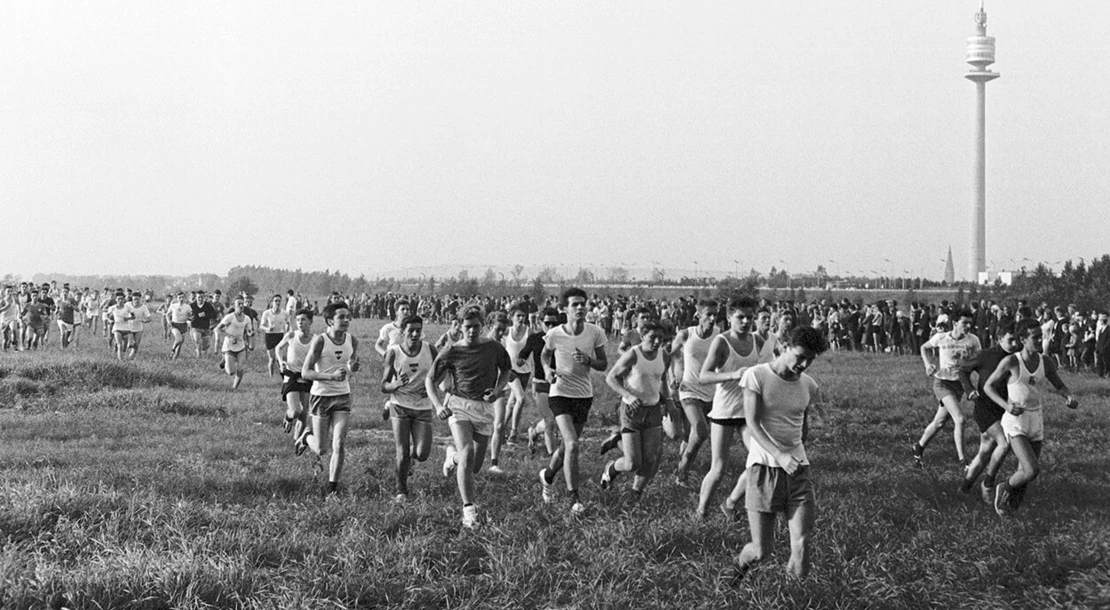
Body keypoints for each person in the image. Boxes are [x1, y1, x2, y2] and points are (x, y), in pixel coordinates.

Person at [732, 326, 829, 580]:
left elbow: (801, 424)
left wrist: (795, 456)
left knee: (802, 544)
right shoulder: (757, 376)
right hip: (763, 470)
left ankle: (793, 597)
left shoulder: (807, 385)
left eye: (810, 359)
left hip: (797, 471)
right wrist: (780, 456)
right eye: (800, 356)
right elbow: (752, 423)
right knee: (762, 551)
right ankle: (734, 573)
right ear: (784, 346)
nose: (804, 364)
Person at [426, 307, 512, 528]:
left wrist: (498, 390)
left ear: (482, 325)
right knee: (468, 452)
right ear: (460, 326)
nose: (472, 331)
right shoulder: (451, 351)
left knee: (472, 466)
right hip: (459, 405)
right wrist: (437, 406)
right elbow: (430, 380)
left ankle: (451, 457)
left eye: (475, 326)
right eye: (467, 327)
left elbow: (506, 370)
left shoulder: (494, 348)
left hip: (484, 408)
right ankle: (469, 511)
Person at [983, 319, 1079, 517]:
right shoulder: (1011, 361)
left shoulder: (1046, 361)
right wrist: (1006, 405)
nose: (1039, 340)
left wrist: (1068, 397)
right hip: (1015, 420)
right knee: (1031, 470)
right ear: (1022, 339)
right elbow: (988, 386)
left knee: (1025, 474)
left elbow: (1059, 385)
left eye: (1040, 336)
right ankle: (1004, 488)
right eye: (1034, 337)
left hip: (1036, 419)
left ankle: (1010, 511)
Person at [539, 287, 608, 514]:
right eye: (574, 304)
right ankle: (574, 498)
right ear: (564, 309)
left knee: (567, 447)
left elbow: (603, 364)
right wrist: (548, 371)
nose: (580, 308)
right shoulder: (555, 334)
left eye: (582, 304)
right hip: (559, 393)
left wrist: (588, 359)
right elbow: (544, 354)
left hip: (583, 395)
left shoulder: (595, 332)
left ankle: (548, 476)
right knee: (572, 444)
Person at [695, 296, 763, 520]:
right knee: (718, 469)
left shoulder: (757, 341)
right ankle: (701, 512)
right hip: (724, 412)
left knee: (760, 460)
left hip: (748, 414)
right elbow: (704, 376)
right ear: (729, 317)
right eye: (740, 317)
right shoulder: (721, 342)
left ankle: (731, 502)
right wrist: (733, 375)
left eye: (749, 317)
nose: (745, 322)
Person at [295, 301, 361, 497]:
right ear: (330, 321)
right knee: (322, 449)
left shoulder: (352, 340)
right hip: (321, 396)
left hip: (342, 395)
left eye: (347, 317)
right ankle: (307, 436)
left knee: (339, 443)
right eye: (341, 317)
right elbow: (306, 372)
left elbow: (352, 364)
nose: (346, 320)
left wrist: (353, 368)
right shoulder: (321, 341)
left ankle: (332, 488)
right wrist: (330, 377)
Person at [601, 320, 671, 496]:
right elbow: (611, 378)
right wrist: (628, 395)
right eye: (653, 338)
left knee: (650, 458)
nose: (657, 342)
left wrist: (668, 400)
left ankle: (635, 493)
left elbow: (662, 380)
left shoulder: (664, 356)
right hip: (632, 412)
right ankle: (611, 468)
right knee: (633, 464)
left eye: (660, 339)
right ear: (642, 336)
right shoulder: (633, 354)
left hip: (653, 410)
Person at [957, 319, 1019, 503]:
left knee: (985, 450)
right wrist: (969, 391)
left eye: (1017, 340)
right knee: (1004, 444)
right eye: (1011, 340)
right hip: (984, 407)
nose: (1015, 344)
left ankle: (964, 488)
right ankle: (988, 484)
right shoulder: (985, 355)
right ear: (1000, 339)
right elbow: (962, 370)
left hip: (1005, 408)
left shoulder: (1017, 358)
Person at [381, 314, 438, 501]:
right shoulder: (394, 352)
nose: (415, 334)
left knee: (422, 454)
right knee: (402, 450)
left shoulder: (430, 350)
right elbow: (384, 386)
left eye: (418, 331)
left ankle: (407, 464)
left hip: (422, 406)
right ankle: (401, 490)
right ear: (402, 332)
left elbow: (440, 373)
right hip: (400, 405)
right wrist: (395, 384)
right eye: (411, 331)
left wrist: (430, 387)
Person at [914, 308, 981, 467]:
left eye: (970, 323)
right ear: (955, 323)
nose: (968, 326)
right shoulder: (941, 337)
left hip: (960, 385)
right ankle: (963, 462)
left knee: (939, 422)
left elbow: (980, 361)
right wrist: (927, 365)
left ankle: (918, 447)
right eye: (964, 323)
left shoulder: (973, 340)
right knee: (960, 418)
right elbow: (924, 347)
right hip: (942, 383)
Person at [670, 299, 720, 484]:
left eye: (715, 314)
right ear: (698, 315)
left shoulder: (718, 335)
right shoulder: (685, 335)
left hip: (711, 391)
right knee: (701, 430)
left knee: (694, 434)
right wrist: (673, 375)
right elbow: (671, 354)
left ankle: (683, 461)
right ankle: (682, 471)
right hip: (688, 389)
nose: (713, 318)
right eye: (709, 314)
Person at [276, 308, 315, 445]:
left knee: (304, 414)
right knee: (296, 410)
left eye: (303, 319)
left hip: (306, 377)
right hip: (291, 376)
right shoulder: (291, 335)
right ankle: (288, 416)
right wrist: (281, 362)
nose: (300, 323)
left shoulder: (316, 340)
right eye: (298, 320)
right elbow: (278, 348)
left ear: (310, 321)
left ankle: (296, 443)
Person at [214, 297, 252, 389]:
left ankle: (234, 388)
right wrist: (228, 334)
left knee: (240, 367)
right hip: (229, 346)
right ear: (234, 306)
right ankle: (225, 359)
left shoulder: (247, 318)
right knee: (231, 372)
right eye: (239, 304)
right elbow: (217, 328)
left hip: (241, 345)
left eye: (242, 303)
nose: (241, 305)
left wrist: (251, 334)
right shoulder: (230, 317)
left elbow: (249, 330)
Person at [259, 294, 289, 378]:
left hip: (279, 335)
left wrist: (287, 331)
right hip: (269, 336)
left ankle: (284, 377)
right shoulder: (267, 313)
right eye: (276, 301)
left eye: (279, 301)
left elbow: (288, 323)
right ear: (272, 302)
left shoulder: (284, 313)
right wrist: (268, 328)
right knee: (272, 359)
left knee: (281, 359)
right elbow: (261, 326)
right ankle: (271, 377)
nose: (278, 303)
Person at [107, 291, 134, 360]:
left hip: (126, 328)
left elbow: (134, 316)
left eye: (122, 299)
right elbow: (107, 316)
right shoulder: (112, 308)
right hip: (117, 328)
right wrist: (110, 320)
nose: (120, 300)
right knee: (119, 345)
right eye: (118, 299)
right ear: (116, 299)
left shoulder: (127, 307)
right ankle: (121, 361)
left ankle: (123, 356)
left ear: (124, 299)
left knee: (124, 347)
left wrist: (128, 318)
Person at [190, 291, 218, 358]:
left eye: (202, 297)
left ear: (204, 297)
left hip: (205, 327)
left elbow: (214, 315)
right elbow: (188, 315)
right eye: (199, 297)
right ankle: (199, 356)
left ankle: (204, 355)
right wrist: (190, 318)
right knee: (197, 341)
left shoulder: (208, 305)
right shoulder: (192, 305)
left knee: (206, 346)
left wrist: (205, 315)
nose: (200, 299)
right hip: (195, 327)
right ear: (196, 297)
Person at [126, 292, 152, 360]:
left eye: (137, 299)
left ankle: (131, 359)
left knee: (136, 345)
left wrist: (144, 320)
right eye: (134, 299)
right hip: (129, 328)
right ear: (132, 299)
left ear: (140, 299)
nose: (136, 301)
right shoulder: (128, 305)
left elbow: (149, 318)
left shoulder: (143, 307)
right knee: (130, 344)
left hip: (139, 329)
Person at [167, 292, 191, 360]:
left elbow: (191, 316)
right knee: (179, 339)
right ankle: (172, 351)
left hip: (183, 325)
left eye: (182, 297)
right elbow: (167, 314)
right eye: (179, 297)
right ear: (177, 298)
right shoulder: (173, 306)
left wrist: (189, 321)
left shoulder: (187, 307)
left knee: (180, 344)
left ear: (185, 298)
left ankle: (174, 358)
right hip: (174, 324)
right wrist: (169, 321)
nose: (181, 299)